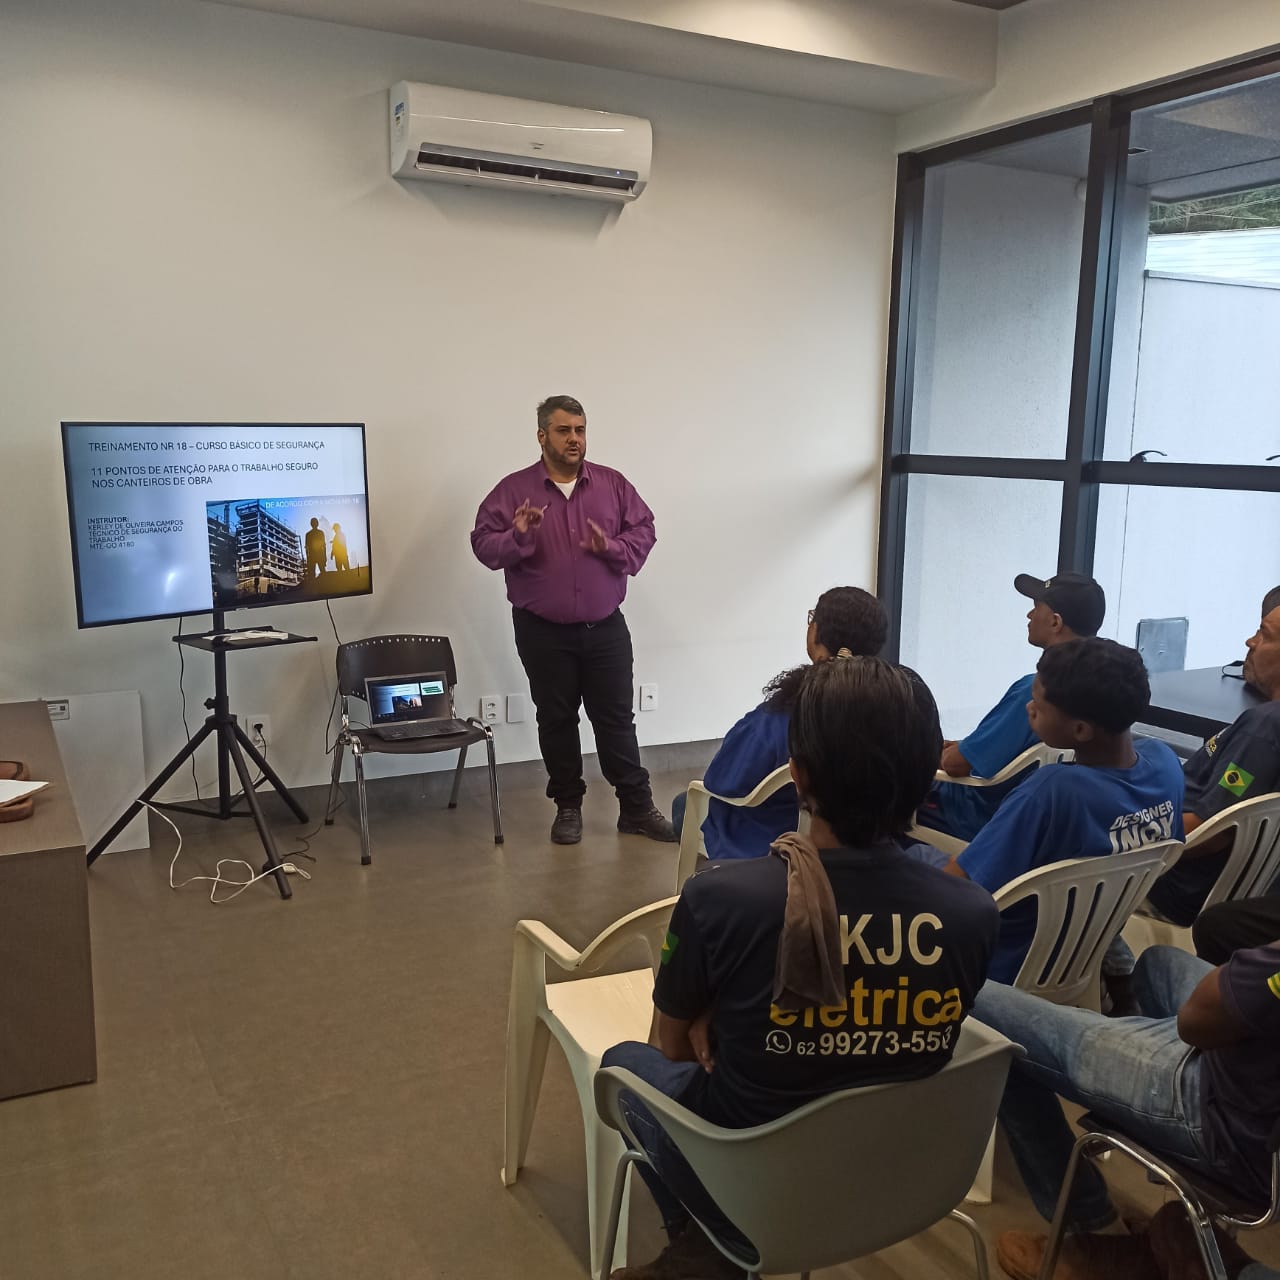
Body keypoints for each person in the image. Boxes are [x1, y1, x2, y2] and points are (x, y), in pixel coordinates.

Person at [601, 656, 999, 1280]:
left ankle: (709, 1248)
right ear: (927, 776)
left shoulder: (721, 899)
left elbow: (673, 1048)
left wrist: (719, 1011)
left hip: (752, 1176)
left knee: (623, 1063)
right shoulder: (973, 914)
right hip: (899, 1179)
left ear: (799, 774)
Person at [973, 939, 1280, 1280]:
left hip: (1225, 1118)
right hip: (1247, 1071)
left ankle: (1093, 1226)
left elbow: (1194, 1022)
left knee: (973, 1001)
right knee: (1157, 965)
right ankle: (1125, 1071)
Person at [470, 395, 674, 845]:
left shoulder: (612, 485)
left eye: (580, 430)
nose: (574, 439)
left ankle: (636, 808)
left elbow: (644, 530)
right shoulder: (513, 491)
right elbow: (483, 545)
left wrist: (611, 548)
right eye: (564, 431)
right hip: (542, 631)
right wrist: (518, 535)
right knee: (557, 720)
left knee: (616, 719)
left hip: (605, 627)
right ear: (542, 436)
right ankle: (568, 806)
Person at [940, 637, 1185, 984]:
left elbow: (957, 884)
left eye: (1038, 706)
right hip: (1084, 944)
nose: (1029, 709)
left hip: (1006, 963)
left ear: (1080, 729)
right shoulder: (1166, 764)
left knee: (914, 860)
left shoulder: (1051, 792)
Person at [673, 586, 888, 860]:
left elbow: (721, 780)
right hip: (865, 843)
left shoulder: (782, 716)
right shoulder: (891, 707)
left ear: (816, 632)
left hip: (772, 842)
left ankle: (717, 878)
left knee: (684, 804)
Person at [916, 571, 1107, 843]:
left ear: (1055, 622)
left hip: (974, 817)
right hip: (1036, 823)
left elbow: (955, 765)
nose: (1029, 615)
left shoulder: (1035, 692)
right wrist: (966, 746)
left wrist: (922, 752)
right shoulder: (1099, 688)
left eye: (1036, 607)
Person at [1144, 586, 1280, 927]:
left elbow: (1212, 831)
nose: (1250, 642)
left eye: (1264, 634)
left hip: (1169, 884)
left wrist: (1123, 841)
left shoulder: (1261, 731)